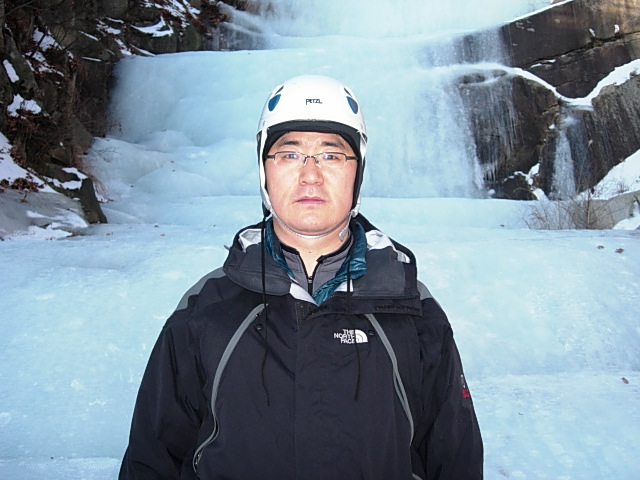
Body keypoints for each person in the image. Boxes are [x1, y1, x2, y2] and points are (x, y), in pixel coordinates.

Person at [119, 74, 483, 480]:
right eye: (290, 154)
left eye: (331, 155)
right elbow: (152, 459)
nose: (311, 175)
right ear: (264, 170)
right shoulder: (206, 309)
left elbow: (455, 460)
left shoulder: (413, 311)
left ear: (358, 171)